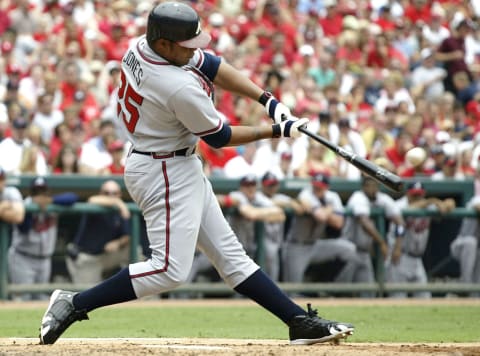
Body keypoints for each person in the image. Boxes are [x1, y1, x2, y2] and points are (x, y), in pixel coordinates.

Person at [39, 2, 353, 346]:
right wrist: (276, 131)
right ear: (165, 44)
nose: (195, 50)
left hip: (170, 160)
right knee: (169, 270)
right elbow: (219, 137)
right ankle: (74, 303)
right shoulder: (175, 85)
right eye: (187, 45)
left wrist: (267, 100)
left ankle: (296, 321)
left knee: (231, 258)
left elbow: (212, 64)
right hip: (162, 169)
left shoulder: (142, 46)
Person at [7, 176, 78, 301]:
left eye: (42, 191)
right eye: (36, 191)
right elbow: (24, 228)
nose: (40, 195)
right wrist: (34, 207)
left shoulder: (53, 203)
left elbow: (73, 197)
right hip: (23, 258)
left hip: (44, 260)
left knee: (40, 298)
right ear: (31, 193)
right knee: (23, 298)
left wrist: (51, 200)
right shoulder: (25, 204)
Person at [283, 172, 358, 285]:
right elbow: (321, 217)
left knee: (349, 249)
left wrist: (325, 211)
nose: (316, 189)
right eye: (315, 186)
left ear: (326, 188)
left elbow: (339, 223)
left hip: (316, 245)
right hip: (296, 246)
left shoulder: (332, 196)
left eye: (320, 187)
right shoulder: (306, 194)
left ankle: (332, 288)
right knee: (294, 289)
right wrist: (329, 209)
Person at [385, 182, 455, 299]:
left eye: (419, 195)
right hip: (399, 256)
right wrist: (430, 201)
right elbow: (402, 220)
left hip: (417, 259)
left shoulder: (427, 206)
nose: (417, 198)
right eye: (414, 195)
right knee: (398, 298)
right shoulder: (398, 205)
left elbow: (450, 204)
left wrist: (442, 204)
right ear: (407, 194)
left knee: (424, 297)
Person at [341, 175, 406, 297]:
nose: (372, 189)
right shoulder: (358, 198)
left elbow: (400, 222)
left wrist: (398, 245)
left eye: (375, 186)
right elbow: (364, 223)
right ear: (363, 187)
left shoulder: (382, 199)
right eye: (369, 186)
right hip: (349, 250)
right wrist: (381, 242)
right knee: (341, 290)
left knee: (369, 292)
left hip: (365, 253)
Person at [65, 180, 131, 284]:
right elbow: (92, 200)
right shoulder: (97, 206)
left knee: (135, 250)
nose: (111, 196)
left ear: (120, 194)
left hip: (105, 255)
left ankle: (145, 295)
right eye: (106, 193)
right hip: (87, 258)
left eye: (114, 193)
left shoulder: (119, 211)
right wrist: (118, 203)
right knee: (87, 296)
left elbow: (127, 236)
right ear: (100, 193)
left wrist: (118, 242)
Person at [228, 174, 286, 281]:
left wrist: (258, 213)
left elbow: (280, 215)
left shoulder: (258, 197)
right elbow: (250, 214)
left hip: (249, 248)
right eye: (247, 185)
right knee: (231, 283)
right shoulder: (237, 195)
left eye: (252, 185)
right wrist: (266, 214)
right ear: (241, 187)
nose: (250, 188)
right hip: (231, 250)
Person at [450, 192, 480, 295]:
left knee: (477, 283)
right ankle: (465, 284)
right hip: (462, 243)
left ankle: (472, 296)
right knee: (471, 242)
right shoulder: (477, 199)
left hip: (477, 250)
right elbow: (478, 206)